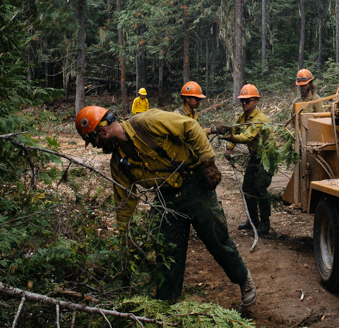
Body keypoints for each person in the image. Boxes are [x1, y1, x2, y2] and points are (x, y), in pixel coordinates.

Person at [74, 106, 257, 306]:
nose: (95, 146)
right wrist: (127, 240)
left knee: (217, 240)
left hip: (194, 185)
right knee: (167, 254)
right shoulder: (119, 162)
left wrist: (208, 163)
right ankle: (166, 307)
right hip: (165, 198)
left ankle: (243, 280)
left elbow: (191, 126)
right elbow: (124, 204)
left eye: (93, 141)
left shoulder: (147, 122)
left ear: (102, 131)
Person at [222, 84, 273, 235]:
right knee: (247, 188)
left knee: (260, 187)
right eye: (242, 101)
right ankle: (253, 220)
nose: (244, 103)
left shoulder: (259, 119)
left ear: (255, 101)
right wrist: (230, 147)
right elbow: (235, 129)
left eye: (247, 100)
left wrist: (232, 138)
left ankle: (265, 222)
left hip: (267, 156)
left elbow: (247, 136)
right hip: (255, 155)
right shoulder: (243, 117)